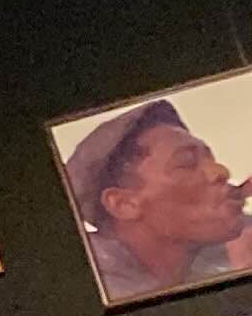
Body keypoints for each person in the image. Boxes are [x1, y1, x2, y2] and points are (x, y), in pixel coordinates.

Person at [64, 98, 252, 303]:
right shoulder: (80, 297)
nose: (221, 171)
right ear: (124, 204)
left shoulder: (218, 254)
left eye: (211, 159)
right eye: (186, 163)